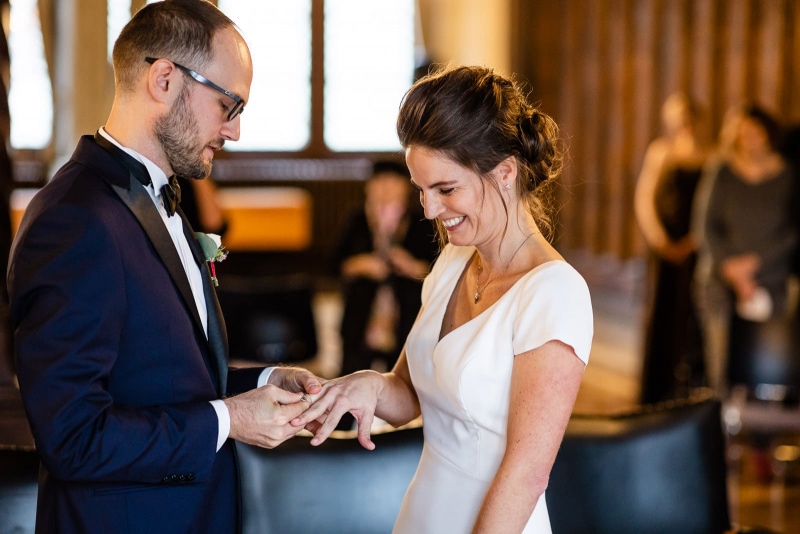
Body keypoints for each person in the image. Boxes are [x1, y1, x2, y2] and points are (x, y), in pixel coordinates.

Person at [6, 2, 320, 532]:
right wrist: (231, 419)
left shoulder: (159, 202)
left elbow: (166, 377)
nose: (236, 130)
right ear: (166, 79)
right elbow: (74, 438)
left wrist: (266, 379)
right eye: (229, 104)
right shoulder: (74, 220)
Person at [295, 65, 593, 533]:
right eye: (421, 190)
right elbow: (411, 393)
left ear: (505, 173)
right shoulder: (453, 262)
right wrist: (362, 385)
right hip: (424, 513)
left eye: (445, 189)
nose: (429, 210)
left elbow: (526, 475)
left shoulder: (555, 291)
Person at [692, 103, 799, 400]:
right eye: (743, 134)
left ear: (768, 134)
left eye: (756, 133)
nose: (749, 139)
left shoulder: (787, 175)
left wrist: (756, 263)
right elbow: (704, 226)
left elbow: (792, 231)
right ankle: (724, 432)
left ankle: (761, 436)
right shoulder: (721, 170)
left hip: (771, 280)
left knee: (768, 367)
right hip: (720, 280)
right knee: (721, 366)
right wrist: (732, 269)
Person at [634, 92, 708, 403]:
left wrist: (695, 240)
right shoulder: (660, 152)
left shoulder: (708, 154)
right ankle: (656, 389)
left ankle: (689, 386)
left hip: (695, 248)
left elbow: (708, 206)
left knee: (692, 314)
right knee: (662, 312)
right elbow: (645, 200)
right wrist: (662, 242)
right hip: (665, 249)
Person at [334, 159, 438, 377]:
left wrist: (410, 266)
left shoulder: (422, 222)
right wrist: (360, 265)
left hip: (405, 319)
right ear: (368, 187)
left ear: (406, 188)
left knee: (404, 384)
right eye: (380, 182)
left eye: (393, 183)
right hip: (360, 318)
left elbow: (438, 272)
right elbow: (333, 264)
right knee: (351, 380)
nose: (386, 188)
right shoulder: (357, 220)